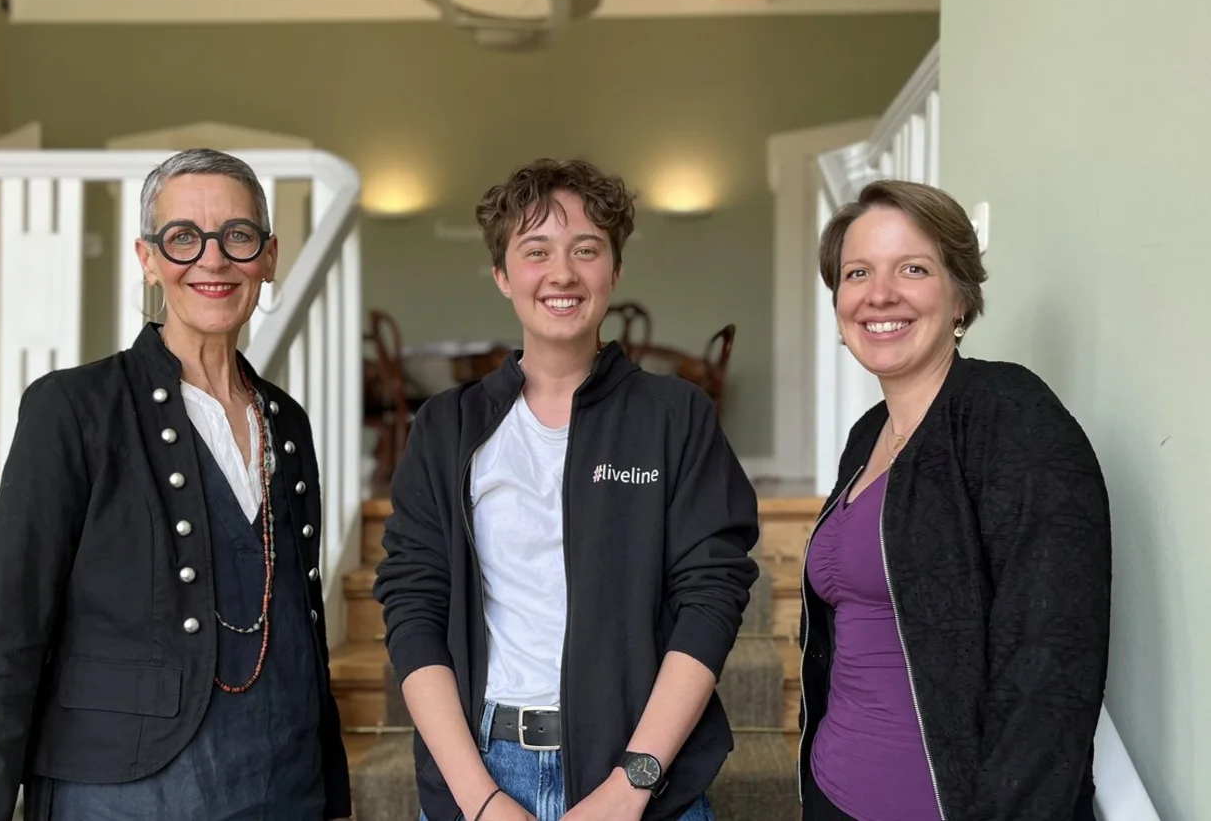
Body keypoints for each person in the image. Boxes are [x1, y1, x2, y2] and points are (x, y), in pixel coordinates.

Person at [0, 148, 351, 820]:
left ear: (268, 258)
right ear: (148, 258)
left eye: (237, 237)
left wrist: (329, 790)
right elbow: (5, 640)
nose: (211, 261)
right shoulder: (73, 409)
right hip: (122, 796)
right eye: (182, 238)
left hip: (282, 780)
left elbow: (299, 620)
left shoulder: (287, 423)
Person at [372, 158, 760, 821]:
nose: (562, 273)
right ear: (502, 274)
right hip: (485, 773)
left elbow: (711, 599)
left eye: (587, 250)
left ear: (615, 270)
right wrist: (481, 800)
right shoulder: (449, 426)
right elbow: (413, 608)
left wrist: (631, 783)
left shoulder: (676, 416)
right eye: (535, 251)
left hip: (643, 775)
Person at [798, 179, 1111, 821]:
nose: (879, 294)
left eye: (912, 268)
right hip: (832, 791)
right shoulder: (867, 435)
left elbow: (1053, 662)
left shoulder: (1009, 415)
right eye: (858, 273)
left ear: (960, 296)